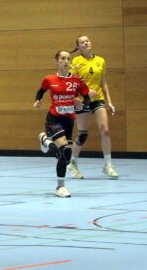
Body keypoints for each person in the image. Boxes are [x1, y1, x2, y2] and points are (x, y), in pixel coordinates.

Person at [35, 51, 94, 198]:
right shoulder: (50, 79)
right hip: (54, 119)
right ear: (57, 61)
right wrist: (38, 100)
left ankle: (45, 142)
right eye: (63, 58)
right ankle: (60, 187)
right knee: (66, 151)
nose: (66, 61)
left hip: (69, 121)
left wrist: (82, 105)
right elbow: (41, 91)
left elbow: (86, 97)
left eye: (68, 58)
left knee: (65, 156)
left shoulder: (76, 80)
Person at [67, 35, 118, 179]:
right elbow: (72, 83)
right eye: (82, 42)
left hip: (98, 99)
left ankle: (108, 165)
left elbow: (103, 83)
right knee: (83, 134)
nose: (85, 43)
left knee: (105, 130)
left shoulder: (100, 61)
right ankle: (72, 163)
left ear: (91, 42)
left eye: (87, 40)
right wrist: (83, 94)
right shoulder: (76, 62)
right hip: (82, 100)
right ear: (78, 47)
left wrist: (110, 102)